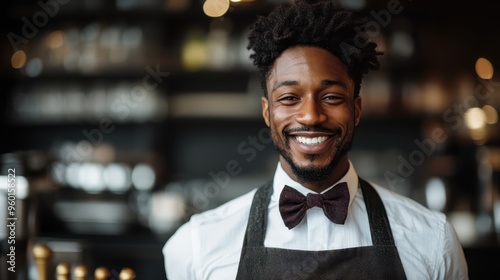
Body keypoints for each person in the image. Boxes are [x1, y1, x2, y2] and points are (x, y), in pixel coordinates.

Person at [163, 0, 469, 279]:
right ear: (267, 112)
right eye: (289, 98)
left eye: (332, 97)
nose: (310, 116)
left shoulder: (432, 241)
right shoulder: (197, 245)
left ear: (356, 109)